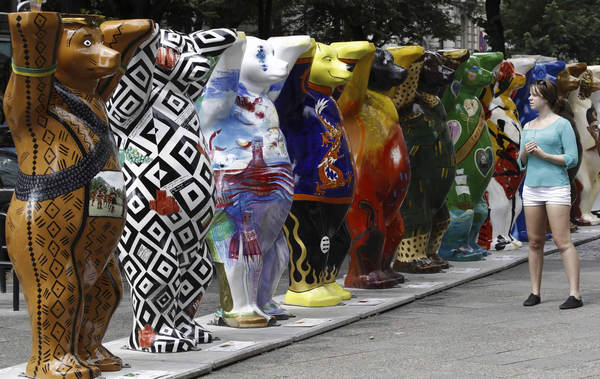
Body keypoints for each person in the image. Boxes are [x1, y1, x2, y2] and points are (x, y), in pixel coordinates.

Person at [518, 79, 581, 309]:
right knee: (535, 242)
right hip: (532, 188)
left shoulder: (562, 124)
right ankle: (535, 291)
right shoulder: (527, 126)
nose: (530, 98)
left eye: (534, 95)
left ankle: (575, 293)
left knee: (562, 241)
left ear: (546, 97)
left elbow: (571, 158)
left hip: (556, 187)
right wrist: (524, 152)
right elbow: (521, 163)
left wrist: (545, 156)